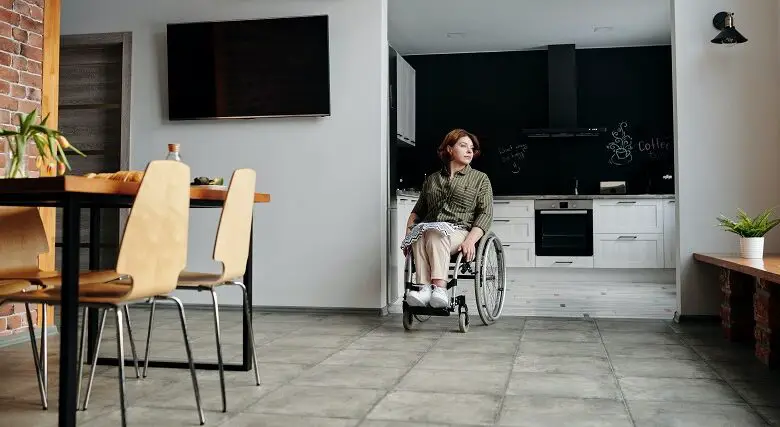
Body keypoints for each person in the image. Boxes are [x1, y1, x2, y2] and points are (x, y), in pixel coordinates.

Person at [401, 128, 494, 308]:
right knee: (419, 234)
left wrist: (470, 241)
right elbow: (417, 212)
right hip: (429, 230)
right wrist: (408, 235)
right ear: (450, 149)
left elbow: (485, 214)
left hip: (460, 231)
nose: (469, 151)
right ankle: (424, 289)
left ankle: (440, 289)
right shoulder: (432, 180)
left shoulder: (480, 179)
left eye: (472, 148)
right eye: (463, 145)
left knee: (433, 233)